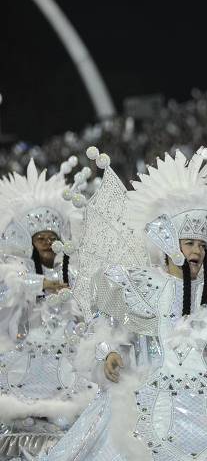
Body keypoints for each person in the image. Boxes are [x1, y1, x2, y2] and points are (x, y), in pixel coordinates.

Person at [47, 147, 207, 461]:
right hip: (146, 392)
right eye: (189, 243)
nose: (197, 250)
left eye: (201, 245)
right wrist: (108, 353)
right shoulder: (139, 284)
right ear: (169, 244)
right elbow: (108, 330)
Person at [0, 160, 95, 459]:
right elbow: (9, 287)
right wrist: (43, 284)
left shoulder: (74, 274)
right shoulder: (14, 270)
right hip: (19, 366)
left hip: (65, 373)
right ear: (29, 242)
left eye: (52, 239)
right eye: (40, 238)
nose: (47, 244)